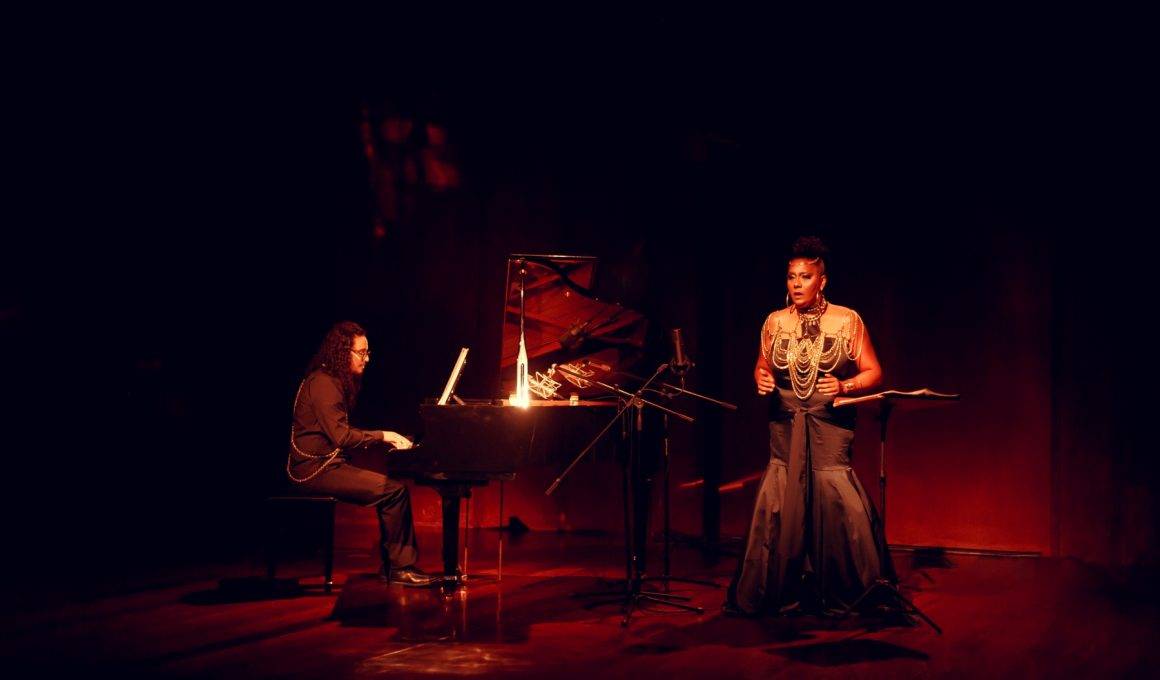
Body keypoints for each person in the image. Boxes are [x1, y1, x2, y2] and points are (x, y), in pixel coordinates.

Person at [726, 236, 894, 616]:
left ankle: (848, 587)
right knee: (783, 492)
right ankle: (779, 587)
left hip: (829, 422)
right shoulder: (775, 321)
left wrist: (846, 385)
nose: (797, 284)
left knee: (833, 492)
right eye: (791, 277)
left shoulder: (847, 320)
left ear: (822, 280)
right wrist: (760, 378)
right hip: (785, 421)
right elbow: (762, 365)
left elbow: (874, 372)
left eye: (805, 277)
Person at [286, 320, 437, 587]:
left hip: (327, 464)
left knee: (391, 490)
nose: (367, 359)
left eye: (368, 352)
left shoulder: (330, 380)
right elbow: (342, 437)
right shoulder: (324, 383)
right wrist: (384, 435)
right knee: (394, 492)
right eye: (361, 352)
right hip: (314, 471)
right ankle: (399, 568)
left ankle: (392, 566)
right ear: (343, 351)